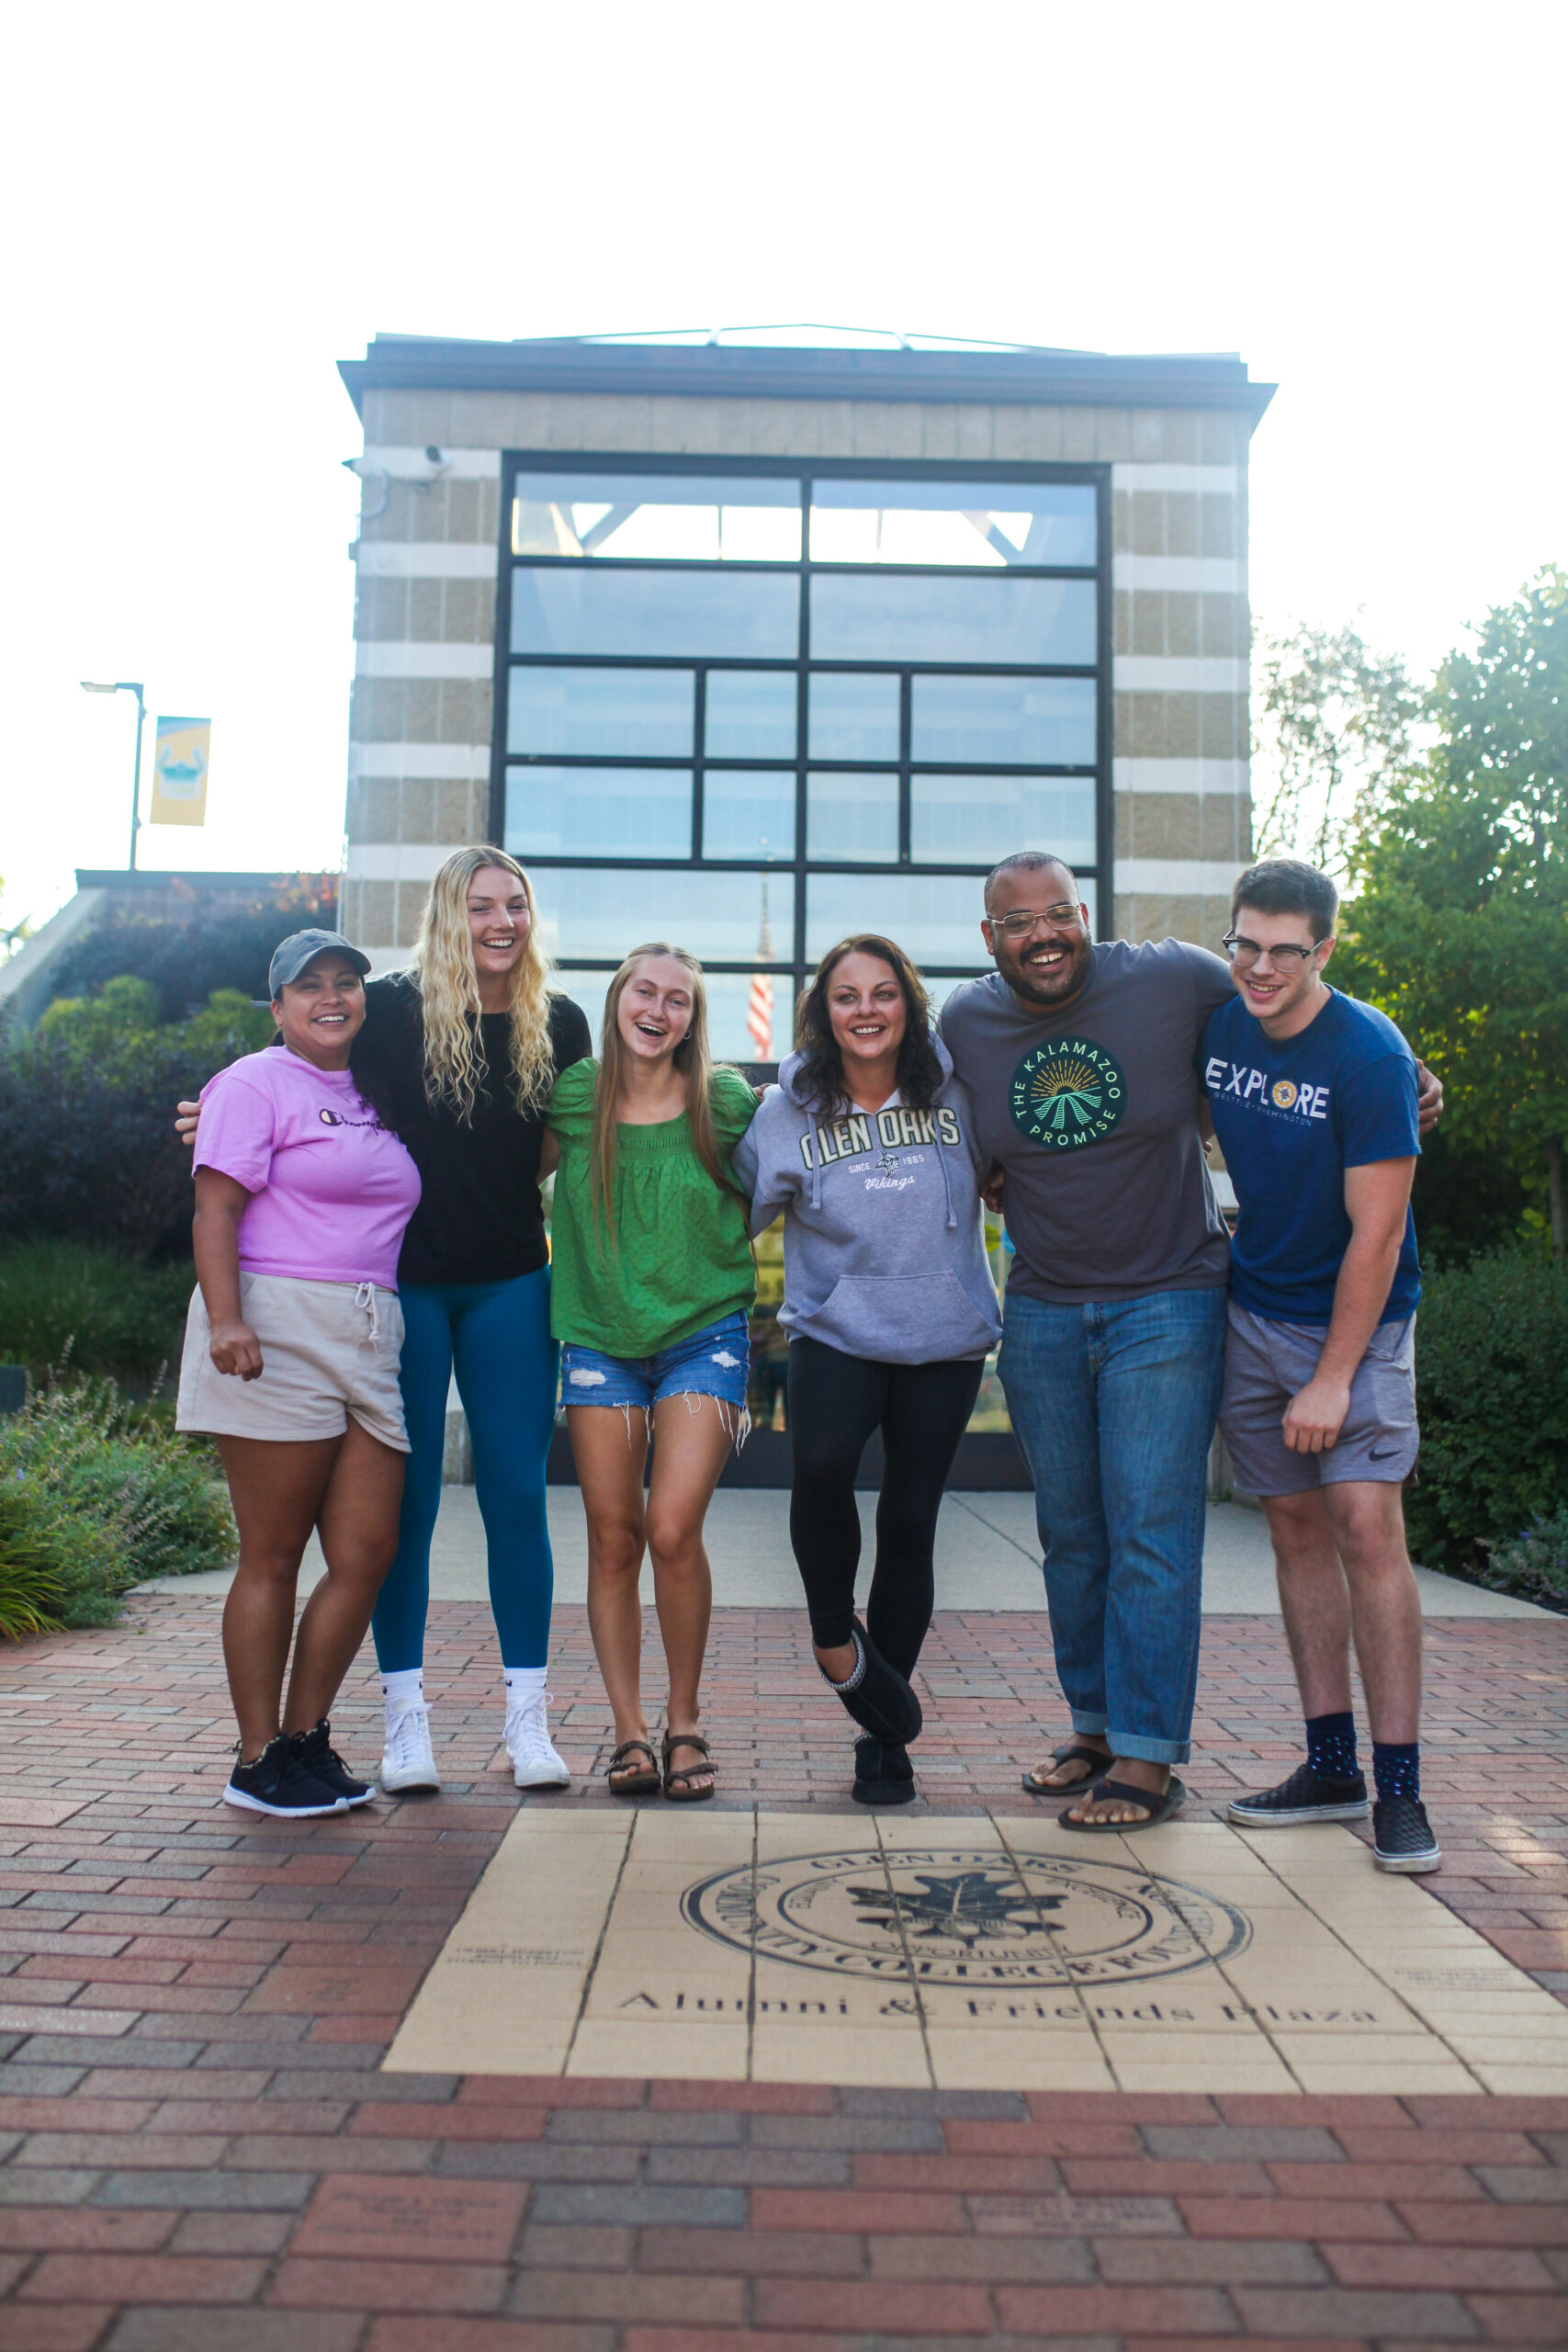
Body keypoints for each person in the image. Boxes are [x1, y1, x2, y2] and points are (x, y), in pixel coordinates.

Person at [937, 851, 1443, 1832]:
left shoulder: (1171, 976)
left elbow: (1312, 1002)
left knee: (1154, 1533)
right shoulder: (965, 1022)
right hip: (1043, 1303)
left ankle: (1148, 1756)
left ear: (1084, 914)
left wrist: (1404, 1063)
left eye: (1059, 914)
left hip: (1171, 1296)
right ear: (989, 936)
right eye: (1018, 921)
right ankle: (1096, 1724)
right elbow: (920, 1105)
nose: (1043, 933)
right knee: (1074, 1535)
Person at [181, 848, 592, 1797]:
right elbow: (302, 1071)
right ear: (449, 913)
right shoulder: (393, 1009)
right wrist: (212, 1113)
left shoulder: (558, 1021)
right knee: (399, 1517)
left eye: (516, 905)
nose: (501, 921)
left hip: (511, 1284)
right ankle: (406, 1723)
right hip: (399, 1293)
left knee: (516, 1500)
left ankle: (527, 1720)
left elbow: (551, 1149)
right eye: (481, 905)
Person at [1203, 860, 1438, 1871]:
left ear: (1325, 948)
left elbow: (1377, 1240)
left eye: (1283, 950)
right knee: (1294, 1526)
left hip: (1361, 1326)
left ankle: (1398, 1788)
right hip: (1253, 1313)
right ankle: (1329, 1763)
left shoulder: (1369, 1054)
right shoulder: (1219, 1026)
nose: (1259, 967)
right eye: (1245, 945)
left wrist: (1335, 1375)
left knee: (1364, 1523)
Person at [733, 935, 1000, 1804]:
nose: (866, 1011)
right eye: (847, 997)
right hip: (834, 1333)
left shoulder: (960, 1091)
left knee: (910, 1518)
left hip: (943, 1340)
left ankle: (882, 1734)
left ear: (907, 1005)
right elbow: (730, 1216)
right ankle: (832, 1639)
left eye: (883, 994)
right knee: (818, 1472)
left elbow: (1030, 1162)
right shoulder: (787, 1111)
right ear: (823, 1012)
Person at [176, 931, 422, 1817]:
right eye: (308, 986)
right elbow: (215, 1208)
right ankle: (256, 1759)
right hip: (274, 1326)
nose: (331, 996)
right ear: (277, 1006)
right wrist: (228, 1317)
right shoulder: (250, 1082)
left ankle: (305, 1738)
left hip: (368, 1331)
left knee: (365, 1554)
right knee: (274, 1554)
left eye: (346, 983)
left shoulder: (377, 1090)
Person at [545, 944, 757, 1801]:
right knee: (610, 1535)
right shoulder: (572, 1097)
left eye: (677, 999)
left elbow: (800, 1157)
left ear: (691, 1017)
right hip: (598, 1337)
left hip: (704, 1332)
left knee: (670, 1527)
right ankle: (629, 1732)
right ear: (618, 999)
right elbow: (477, 1165)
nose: (658, 1009)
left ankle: (685, 1720)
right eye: (645, 991)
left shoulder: (725, 1100)